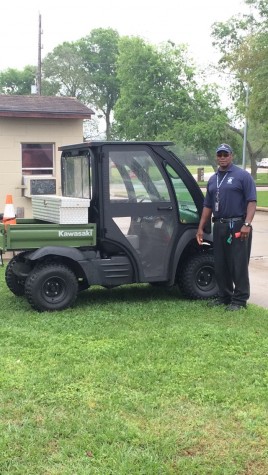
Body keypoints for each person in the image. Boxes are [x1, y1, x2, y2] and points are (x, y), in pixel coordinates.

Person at [196, 143, 257, 311]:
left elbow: (252, 202)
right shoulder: (213, 179)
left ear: (231, 156)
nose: (222, 157)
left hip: (238, 224)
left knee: (238, 263)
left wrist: (247, 224)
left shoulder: (242, 176)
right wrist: (201, 228)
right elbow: (207, 206)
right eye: (220, 154)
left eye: (226, 154)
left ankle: (239, 300)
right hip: (220, 225)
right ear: (217, 157)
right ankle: (224, 296)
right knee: (221, 263)